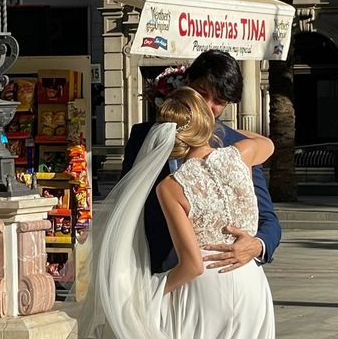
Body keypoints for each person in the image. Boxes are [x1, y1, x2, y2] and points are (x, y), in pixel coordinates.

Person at [78, 87, 275, 338]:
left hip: (205, 288)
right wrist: (220, 131)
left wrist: (153, 292)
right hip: (249, 280)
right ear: (208, 124)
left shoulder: (171, 187)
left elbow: (192, 266)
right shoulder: (242, 154)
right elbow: (268, 143)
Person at [122, 50, 281, 274]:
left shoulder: (236, 145)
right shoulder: (143, 136)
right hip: (154, 268)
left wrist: (257, 245)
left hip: (219, 273)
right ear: (187, 84)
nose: (207, 106)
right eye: (202, 93)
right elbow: (127, 205)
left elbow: (268, 218)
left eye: (219, 101)